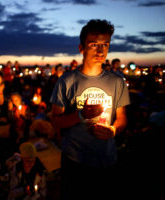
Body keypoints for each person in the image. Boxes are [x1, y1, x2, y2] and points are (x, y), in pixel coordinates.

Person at [50, 19, 130, 199]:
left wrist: (113, 129)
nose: (101, 50)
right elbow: (55, 121)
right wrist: (81, 114)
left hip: (107, 159)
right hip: (75, 161)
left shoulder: (117, 82)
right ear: (81, 48)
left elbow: (122, 117)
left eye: (105, 44)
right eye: (94, 44)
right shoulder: (67, 81)